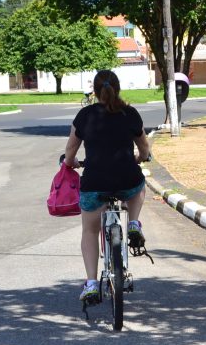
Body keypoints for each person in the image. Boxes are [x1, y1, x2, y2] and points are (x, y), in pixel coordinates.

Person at [64, 69, 150, 301]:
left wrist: (70, 163)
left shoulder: (85, 115)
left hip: (94, 183)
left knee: (90, 231)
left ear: (95, 91)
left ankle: (91, 283)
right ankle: (133, 222)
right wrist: (141, 158)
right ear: (118, 88)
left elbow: (71, 149)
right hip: (126, 179)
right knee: (139, 185)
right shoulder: (130, 113)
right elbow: (144, 146)